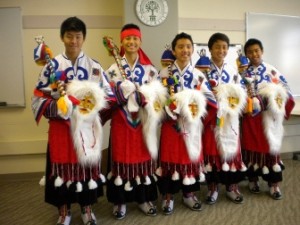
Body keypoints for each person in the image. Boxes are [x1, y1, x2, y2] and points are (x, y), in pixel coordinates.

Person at [31, 17, 114, 225]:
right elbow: (38, 97)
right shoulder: (52, 66)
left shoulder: (94, 66)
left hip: (86, 129)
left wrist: (91, 107)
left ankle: (87, 209)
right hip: (61, 128)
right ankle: (64, 211)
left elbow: (109, 95)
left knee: (86, 169)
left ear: (83, 38)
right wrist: (57, 105)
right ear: (62, 37)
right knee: (62, 170)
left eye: (78, 36)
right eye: (69, 36)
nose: (74, 41)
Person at [104, 23, 166, 220]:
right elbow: (105, 98)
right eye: (127, 38)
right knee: (120, 161)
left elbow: (159, 97)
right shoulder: (112, 69)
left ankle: (144, 199)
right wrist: (120, 96)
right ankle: (120, 201)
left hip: (143, 122)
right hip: (121, 122)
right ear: (121, 42)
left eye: (135, 38)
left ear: (140, 41)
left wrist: (144, 98)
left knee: (144, 161)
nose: (131, 42)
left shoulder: (150, 70)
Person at [156, 32, 217, 215]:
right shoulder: (164, 73)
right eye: (180, 47)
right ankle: (168, 195)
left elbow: (209, 98)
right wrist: (168, 106)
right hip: (170, 124)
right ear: (173, 50)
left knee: (190, 157)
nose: (185, 50)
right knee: (170, 158)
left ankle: (189, 194)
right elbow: (157, 99)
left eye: (188, 47)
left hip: (191, 123)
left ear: (193, 49)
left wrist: (194, 104)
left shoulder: (198, 74)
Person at [241, 38, 295, 200]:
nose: (254, 54)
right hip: (250, 119)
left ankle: (274, 185)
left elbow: (286, 92)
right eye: (250, 51)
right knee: (250, 149)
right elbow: (237, 95)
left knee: (271, 151)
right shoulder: (243, 73)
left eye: (256, 50)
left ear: (262, 51)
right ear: (247, 54)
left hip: (268, 118)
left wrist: (267, 101)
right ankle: (252, 180)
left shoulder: (272, 71)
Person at [197, 32, 247, 205]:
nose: (221, 50)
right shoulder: (201, 69)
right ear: (210, 49)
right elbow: (197, 92)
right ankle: (213, 188)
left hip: (230, 119)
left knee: (231, 150)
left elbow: (241, 91)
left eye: (224, 47)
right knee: (212, 152)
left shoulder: (232, 70)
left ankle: (232, 187)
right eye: (217, 46)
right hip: (212, 119)